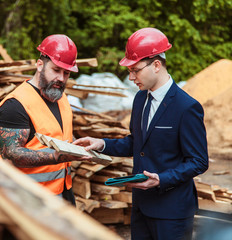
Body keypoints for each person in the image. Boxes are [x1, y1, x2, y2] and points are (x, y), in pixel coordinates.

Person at [74, 28, 209, 239]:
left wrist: (161, 179)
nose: (130, 77)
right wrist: (101, 143)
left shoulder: (187, 107)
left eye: (135, 70)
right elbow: (136, 143)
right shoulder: (139, 100)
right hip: (141, 207)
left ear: (156, 65)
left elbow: (199, 161)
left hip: (172, 213)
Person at [0, 34, 83, 205]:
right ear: (40, 64)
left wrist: (79, 146)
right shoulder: (16, 104)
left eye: (66, 73)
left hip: (63, 191)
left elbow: (57, 137)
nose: (61, 78)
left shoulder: (60, 97)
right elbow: (12, 154)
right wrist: (57, 157)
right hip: (29, 199)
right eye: (56, 70)